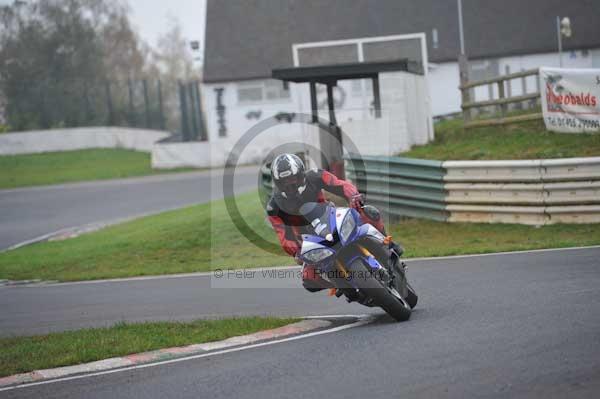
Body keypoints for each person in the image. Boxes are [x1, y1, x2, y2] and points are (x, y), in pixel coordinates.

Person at [266, 153, 403, 293]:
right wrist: (296, 251)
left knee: (368, 212)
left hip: (330, 217)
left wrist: (353, 196)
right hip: (308, 239)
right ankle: (339, 286)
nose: (290, 183)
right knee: (308, 279)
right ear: (278, 183)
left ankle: (389, 246)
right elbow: (283, 235)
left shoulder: (315, 175)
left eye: (293, 178)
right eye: (285, 181)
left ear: (301, 173)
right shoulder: (274, 206)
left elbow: (341, 185)